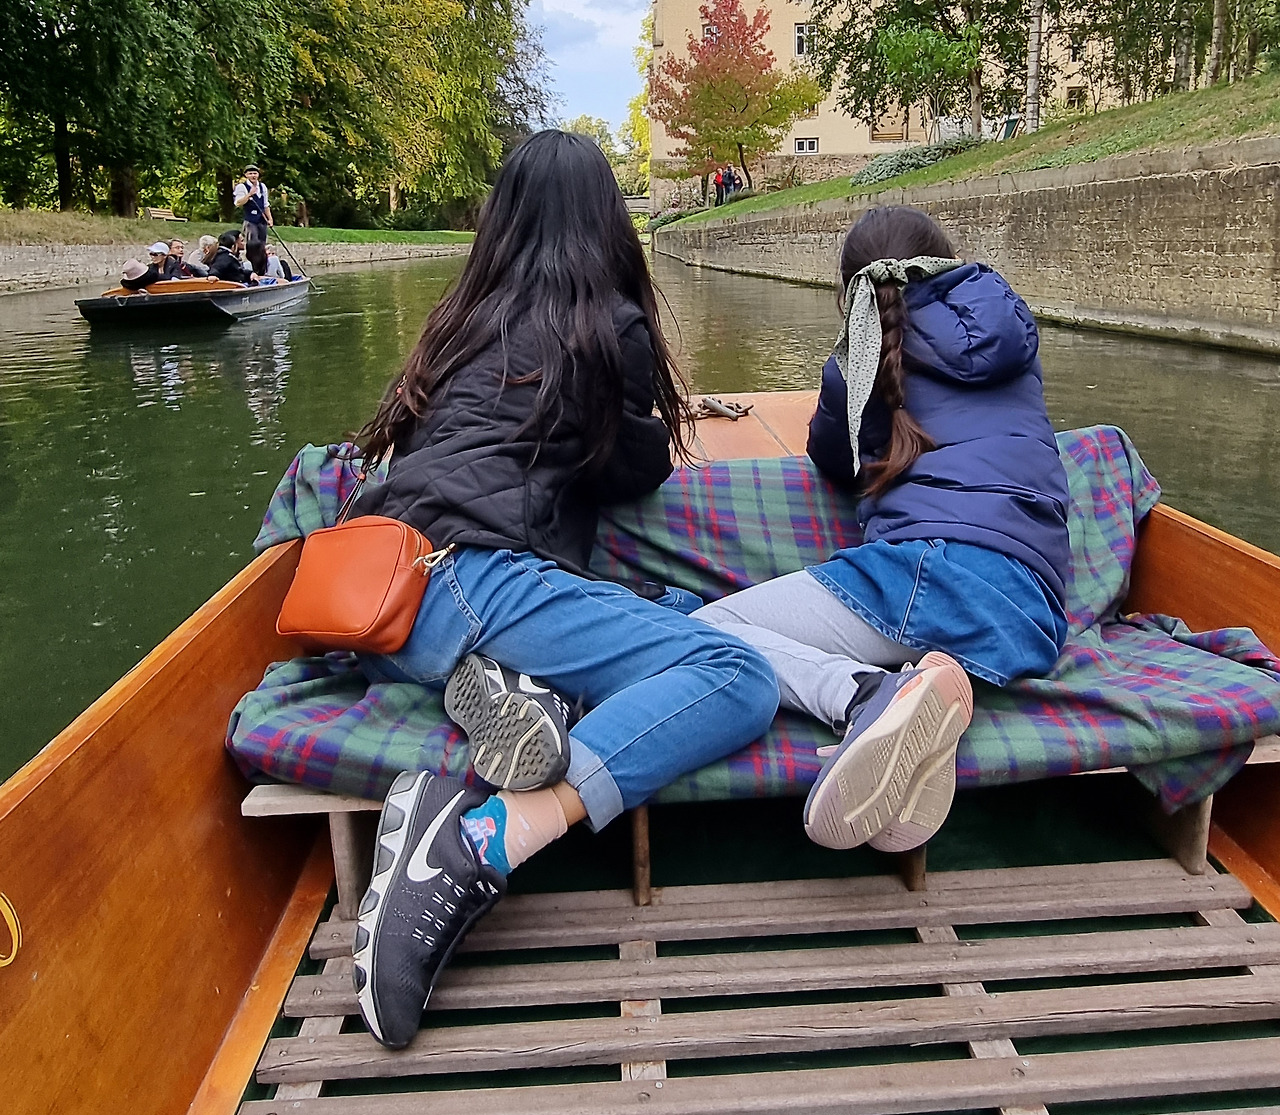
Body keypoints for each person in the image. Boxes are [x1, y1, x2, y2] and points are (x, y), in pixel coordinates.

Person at [343, 130, 779, 1050]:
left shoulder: (458, 320)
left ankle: (516, 689)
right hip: (474, 579)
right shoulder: (606, 325)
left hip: (378, 607)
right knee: (736, 675)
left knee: (660, 613)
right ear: (607, 220)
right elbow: (631, 472)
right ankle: (473, 840)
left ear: (502, 220)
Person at [692, 204, 1070, 856]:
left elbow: (832, 457)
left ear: (850, 291)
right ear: (945, 260)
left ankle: (865, 694)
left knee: (707, 631)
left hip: (935, 574)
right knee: (927, 640)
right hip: (1034, 611)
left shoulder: (857, 366)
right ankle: (925, 717)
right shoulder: (1011, 332)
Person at [233, 165, 273, 249]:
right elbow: (238, 203)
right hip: (250, 221)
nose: (253, 176)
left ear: (258, 174)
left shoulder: (262, 187)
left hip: (262, 220)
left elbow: (265, 204)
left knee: (262, 245)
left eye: (255, 173)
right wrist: (249, 194)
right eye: (250, 173)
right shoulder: (242, 187)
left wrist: (270, 219)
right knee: (252, 245)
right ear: (246, 175)